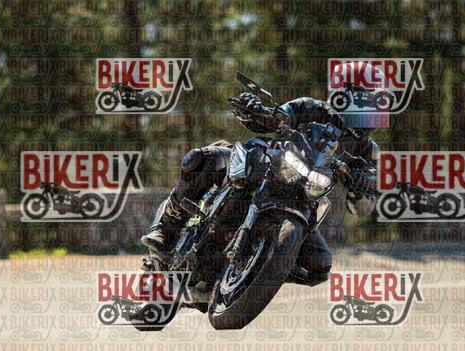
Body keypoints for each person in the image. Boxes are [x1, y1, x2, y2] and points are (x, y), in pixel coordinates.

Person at [142, 64, 386, 285]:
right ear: (343, 95)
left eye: (375, 105)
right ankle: (167, 227)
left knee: (318, 267)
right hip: (271, 166)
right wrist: (256, 110)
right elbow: (277, 117)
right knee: (202, 158)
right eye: (364, 103)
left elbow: (362, 208)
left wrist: (360, 187)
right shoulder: (312, 108)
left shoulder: (368, 151)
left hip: (304, 201)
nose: (369, 111)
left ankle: (259, 273)